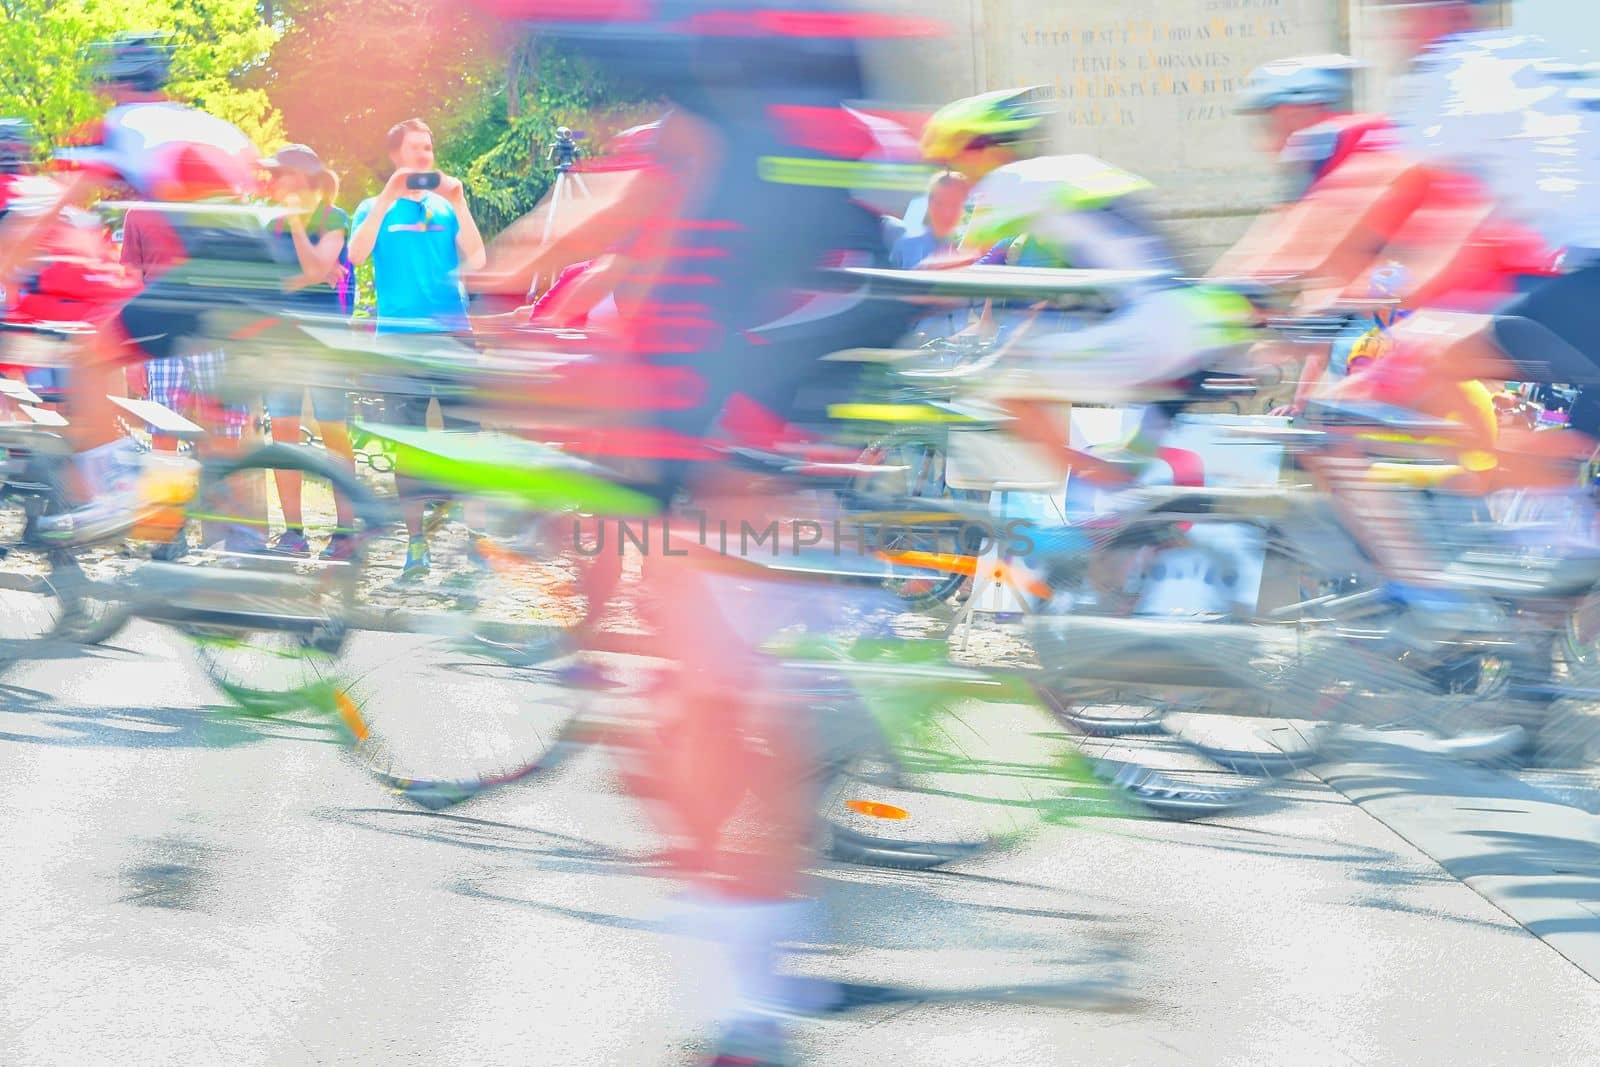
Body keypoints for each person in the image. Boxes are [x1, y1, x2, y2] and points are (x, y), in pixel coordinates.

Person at [348, 117, 487, 581]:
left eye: (428, 149)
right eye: (414, 149)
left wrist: (461, 202)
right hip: (400, 342)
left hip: (453, 336)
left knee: (466, 440)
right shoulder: (373, 206)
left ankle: (475, 545)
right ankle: (416, 549)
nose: (424, 157)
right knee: (406, 447)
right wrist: (388, 196)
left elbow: (478, 259)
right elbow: (355, 255)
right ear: (395, 156)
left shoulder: (446, 207)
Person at [258, 143, 359, 559]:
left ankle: (345, 533)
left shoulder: (334, 217)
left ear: (299, 178)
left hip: (325, 345)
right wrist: (310, 274)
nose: (272, 181)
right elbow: (267, 286)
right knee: (283, 434)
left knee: (332, 432)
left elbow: (316, 270)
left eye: (279, 174)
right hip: (280, 344)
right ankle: (294, 533)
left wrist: (299, 228)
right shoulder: (268, 225)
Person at [889, 170, 967, 269]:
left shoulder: (960, 246)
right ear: (929, 204)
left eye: (955, 205)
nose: (947, 212)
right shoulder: (912, 244)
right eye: (940, 204)